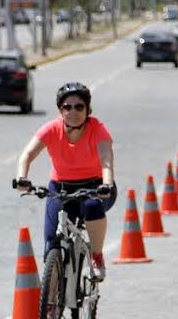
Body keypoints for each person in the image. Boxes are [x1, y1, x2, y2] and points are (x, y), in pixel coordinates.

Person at [13, 82, 116, 281]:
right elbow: (27, 154)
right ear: (60, 110)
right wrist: (22, 178)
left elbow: (106, 160)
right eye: (66, 107)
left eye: (79, 107)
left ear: (87, 109)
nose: (72, 111)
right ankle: (51, 296)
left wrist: (107, 183)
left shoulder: (98, 129)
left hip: (95, 186)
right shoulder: (52, 129)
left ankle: (96, 256)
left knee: (92, 206)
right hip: (60, 188)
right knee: (51, 240)